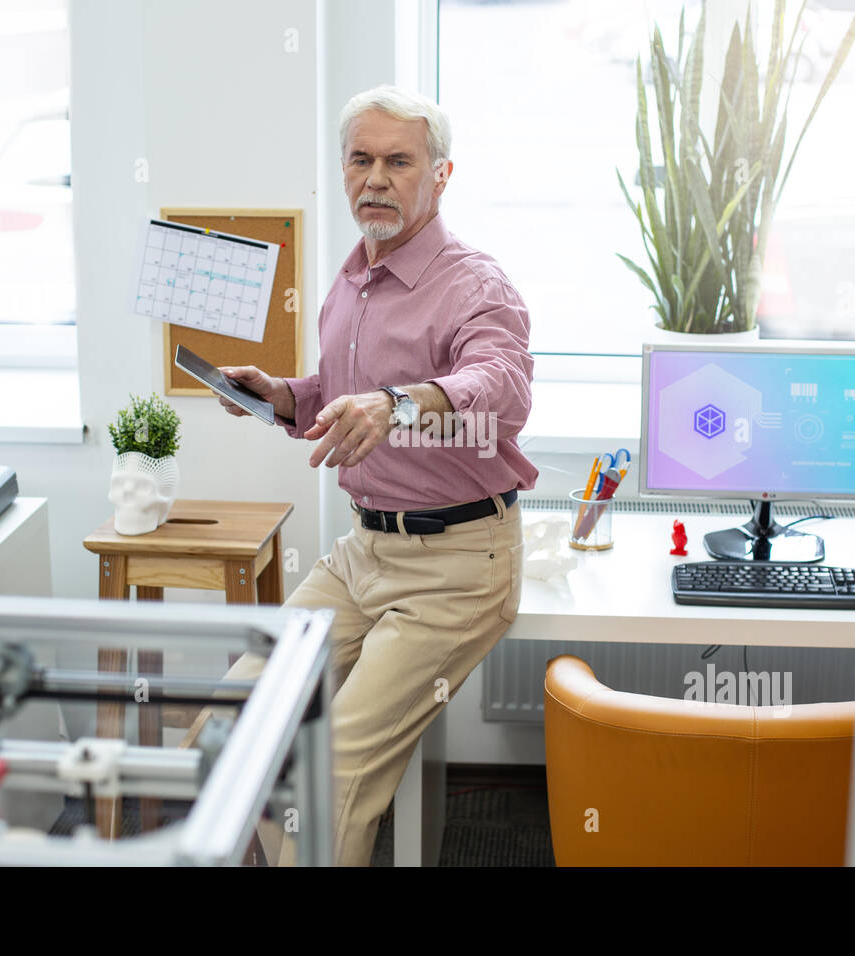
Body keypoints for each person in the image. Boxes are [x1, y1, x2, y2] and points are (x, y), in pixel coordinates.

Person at [215, 84, 537, 866]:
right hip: (362, 554)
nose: (376, 178)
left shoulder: (474, 284)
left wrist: (399, 405)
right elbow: (343, 394)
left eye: (399, 161)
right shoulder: (355, 276)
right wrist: (286, 396)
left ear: (441, 175)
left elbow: (500, 389)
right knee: (234, 722)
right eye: (361, 159)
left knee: (333, 776)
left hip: (457, 566)